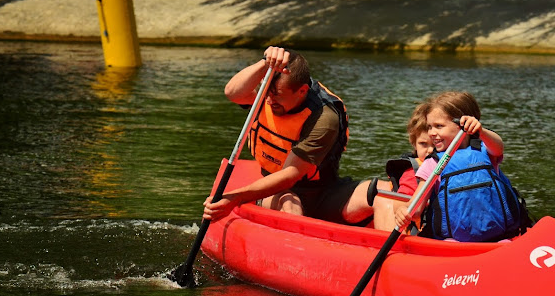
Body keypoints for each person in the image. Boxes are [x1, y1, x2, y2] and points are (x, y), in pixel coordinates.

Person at [203, 47, 380, 225]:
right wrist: (266, 63)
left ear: (302, 91)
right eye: (268, 93)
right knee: (289, 202)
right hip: (276, 191)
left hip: (323, 192)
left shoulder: (324, 117)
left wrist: (235, 198)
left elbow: (290, 175)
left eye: (277, 95)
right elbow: (233, 93)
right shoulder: (268, 95)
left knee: (382, 193)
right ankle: (296, 242)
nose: (269, 101)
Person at [393, 91, 525, 242]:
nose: (431, 133)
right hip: (453, 241)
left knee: (507, 245)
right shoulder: (432, 163)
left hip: (499, 238)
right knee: (449, 244)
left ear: (462, 124)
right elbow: (416, 208)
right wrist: (404, 212)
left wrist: (480, 131)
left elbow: (499, 147)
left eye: (439, 126)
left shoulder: (485, 150)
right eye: (430, 127)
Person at [371, 102, 434, 231]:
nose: (430, 150)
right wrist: (402, 211)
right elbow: (399, 204)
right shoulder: (413, 172)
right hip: (420, 230)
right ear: (414, 144)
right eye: (423, 144)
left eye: (436, 144)